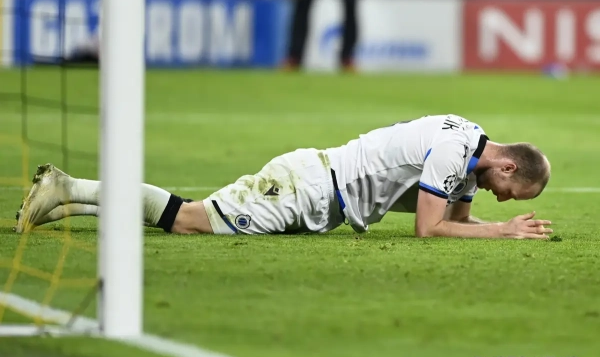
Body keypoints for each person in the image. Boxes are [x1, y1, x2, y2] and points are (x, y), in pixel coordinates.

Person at [14, 114, 553, 239]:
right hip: (307, 188)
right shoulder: (454, 151)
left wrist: (498, 229)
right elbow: (429, 229)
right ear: (507, 166)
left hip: (318, 192)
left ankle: (66, 201)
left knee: (192, 218)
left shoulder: (468, 154)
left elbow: (457, 220)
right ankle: (70, 187)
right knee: (189, 219)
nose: (504, 201)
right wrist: (501, 231)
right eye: (512, 192)